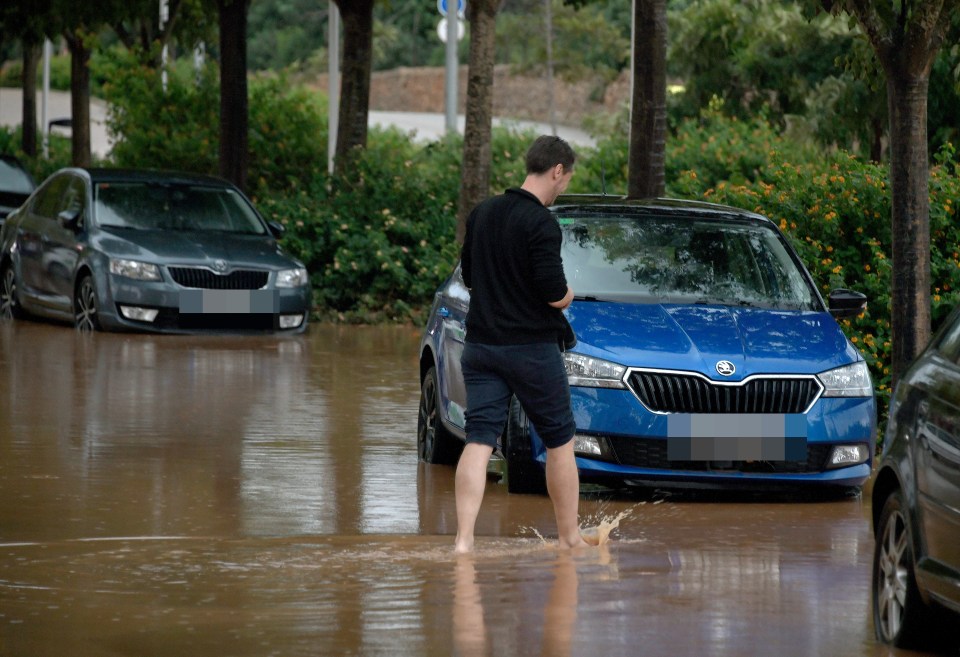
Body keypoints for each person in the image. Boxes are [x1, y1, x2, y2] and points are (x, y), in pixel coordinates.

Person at [454, 135, 589, 554]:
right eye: (566, 178)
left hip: (481, 346)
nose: (564, 186)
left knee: (478, 439)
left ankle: (463, 542)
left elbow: (470, 277)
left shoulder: (483, 213)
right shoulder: (541, 222)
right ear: (557, 171)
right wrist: (568, 295)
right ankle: (570, 539)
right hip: (531, 349)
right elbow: (552, 291)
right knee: (559, 442)